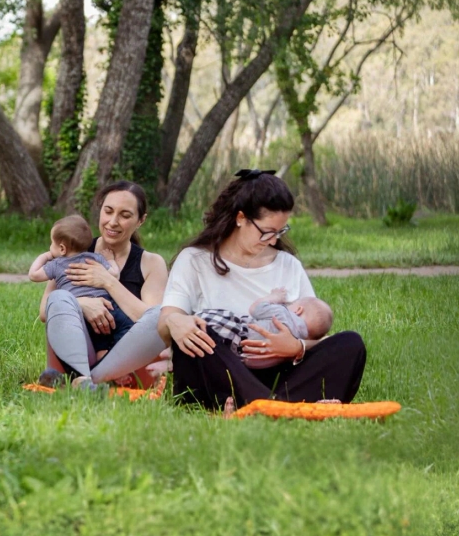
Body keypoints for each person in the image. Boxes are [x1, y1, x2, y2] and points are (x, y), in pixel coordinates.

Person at [158, 169, 367, 412]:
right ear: (241, 218)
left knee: (351, 344)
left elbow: (318, 338)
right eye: (267, 232)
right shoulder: (194, 260)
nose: (273, 240)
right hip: (221, 370)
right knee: (198, 335)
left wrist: (296, 347)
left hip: (278, 373)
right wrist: (176, 322)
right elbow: (165, 323)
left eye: (280, 232)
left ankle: (259, 406)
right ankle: (280, 407)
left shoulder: (287, 265)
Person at [38, 181, 170, 387]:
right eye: (108, 211)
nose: (113, 222)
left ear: (140, 220)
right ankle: (86, 379)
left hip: (127, 360)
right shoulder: (74, 249)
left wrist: (108, 282)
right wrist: (81, 303)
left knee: (162, 315)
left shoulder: (152, 263)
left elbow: (153, 324)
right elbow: (46, 311)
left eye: (125, 215)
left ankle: (88, 381)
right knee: (59, 298)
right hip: (83, 351)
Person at [28, 215, 134, 372]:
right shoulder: (95, 258)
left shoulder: (56, 265)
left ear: (62, 249)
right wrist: (110, 259)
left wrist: (46, 255)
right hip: (109, 310)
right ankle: (114, 366)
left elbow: (34, 275)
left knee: (96, 341)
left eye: (52, 244)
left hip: (81, 318)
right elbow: (115, 274)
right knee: (127, 328)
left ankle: (89, 374)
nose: (51, 247)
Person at [198, 290, 334, 370]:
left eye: (292, 304)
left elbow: (255, 309)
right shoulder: (290, 348)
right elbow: (255, 362)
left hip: (234, 330)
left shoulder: (283, 313)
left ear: (298, 310)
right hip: (238, 354)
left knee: (204, 319)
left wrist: (274, 298)